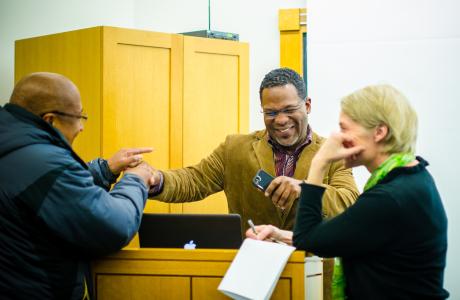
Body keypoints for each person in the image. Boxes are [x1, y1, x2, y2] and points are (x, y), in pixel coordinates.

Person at [247, 84, 449, 299]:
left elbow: (309, 238)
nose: (337, 138)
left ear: (379, 132)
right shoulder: (411, 179)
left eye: (345, 129)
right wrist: (278, 234)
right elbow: (336, 236)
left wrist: (319, 164)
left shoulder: (389, 198)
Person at [0, 72, 156, 299]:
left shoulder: (14, 147)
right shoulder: (45, 164)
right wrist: (136, 179)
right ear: (50, 120)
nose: (81, 127)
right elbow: (114, 225)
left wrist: (105, 169)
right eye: (78, 117)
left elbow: (44, 190)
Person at [150, 67, 358, 234]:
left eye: (289, 110)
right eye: (271, 112)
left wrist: (304, 189)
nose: (281, 120)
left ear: (308, 105)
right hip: (252, 273)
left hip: (312, 276)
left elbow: (348, 203)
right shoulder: (234, 149)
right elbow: (193, 180)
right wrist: (156, 180)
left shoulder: (333, 154)